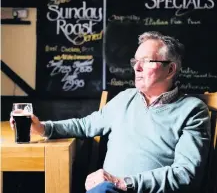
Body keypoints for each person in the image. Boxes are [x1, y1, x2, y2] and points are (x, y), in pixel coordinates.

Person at [10, 31, 211, 193]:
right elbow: (85, 125)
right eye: (135, 61)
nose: (137, 68)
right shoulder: (125, 98)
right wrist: (43, 127)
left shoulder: (192, 110)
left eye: (147, 61)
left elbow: (185, 174)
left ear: (170, 69)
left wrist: (121, 182)